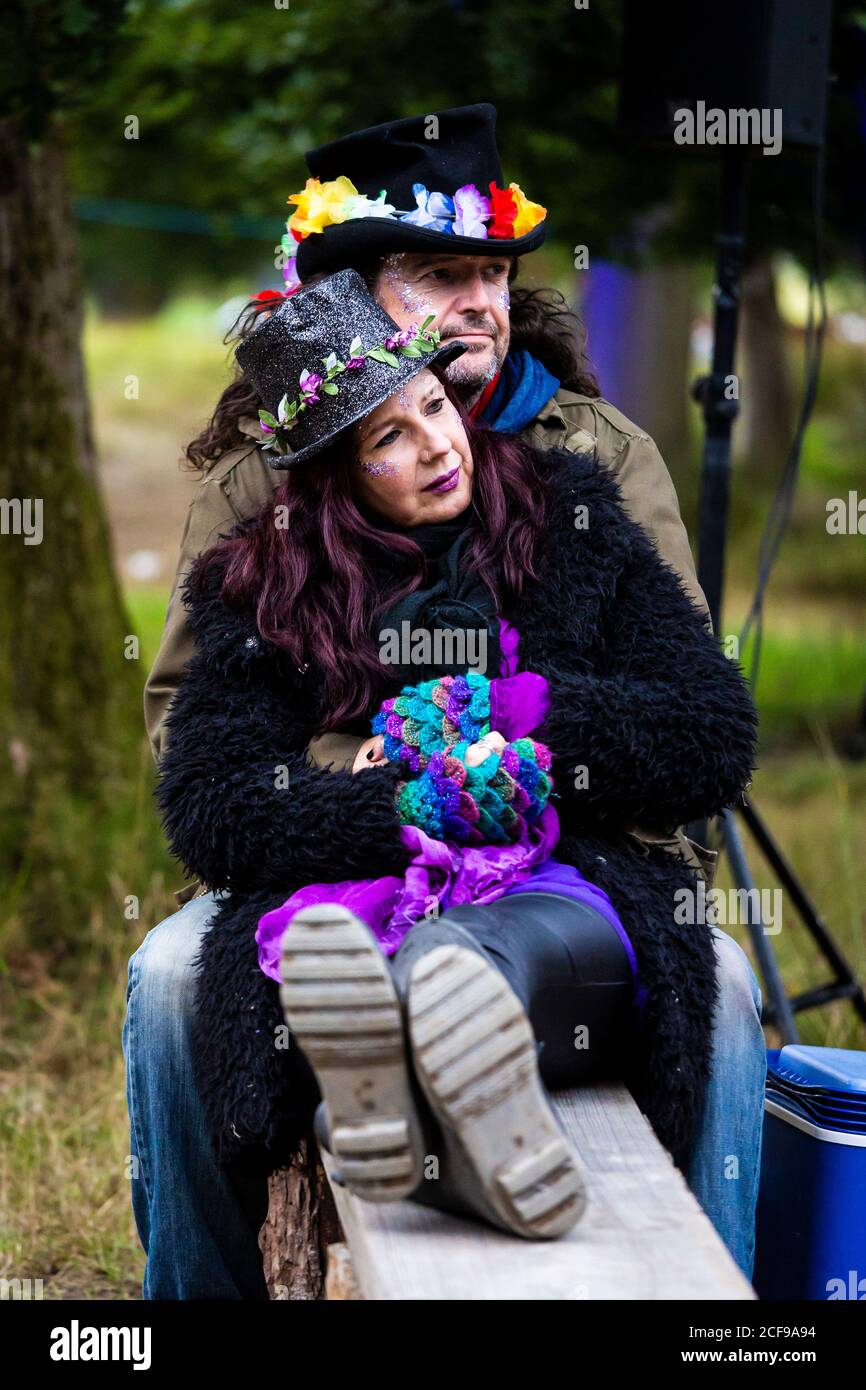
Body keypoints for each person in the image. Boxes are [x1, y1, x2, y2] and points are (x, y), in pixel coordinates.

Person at [127, 271, 759, 1293]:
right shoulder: (266, 584)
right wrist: (409, 805)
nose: (435, 445)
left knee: (724, 987)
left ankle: (711, 1306)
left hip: (569, 869)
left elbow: (711, 733)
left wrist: (528, 719)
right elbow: (213, 804)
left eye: (432, 405)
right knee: (166, 980)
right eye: (386, 437)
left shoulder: (569, 522)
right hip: (341, 889)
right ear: (332, 474)